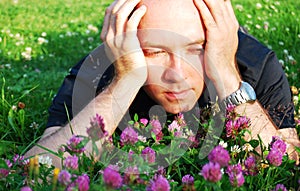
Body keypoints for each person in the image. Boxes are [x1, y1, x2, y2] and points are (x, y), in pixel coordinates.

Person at [25, 0, 300, 167]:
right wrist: (124, 82)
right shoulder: (101, 70)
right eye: (154, 51)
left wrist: (228, 77)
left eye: (197, 48)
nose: (176, 74)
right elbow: (36, 169)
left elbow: (287, 163)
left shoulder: (252, 63)